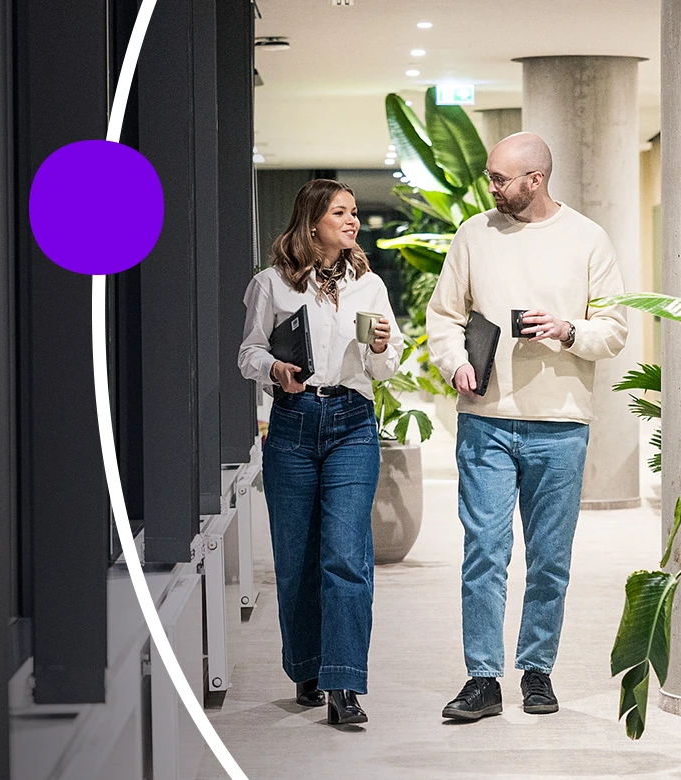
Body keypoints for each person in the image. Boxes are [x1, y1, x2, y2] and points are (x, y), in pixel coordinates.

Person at [426, 132, 628, 721]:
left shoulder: (587, 238)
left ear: (535, 180)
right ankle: (483, 679)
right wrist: (456, 362)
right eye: (490, 176)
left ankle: (537, 671)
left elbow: (614, 328)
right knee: (484, 553)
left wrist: (568, 331)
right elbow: (443, 315)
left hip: (561, 424)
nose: (490, 187)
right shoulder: (473, 235)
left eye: (499, 179)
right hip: (485, 421)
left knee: (549, 558)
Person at [238, 178, 403, 726]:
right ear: (312, 223)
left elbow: (385, 366)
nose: (353, 221)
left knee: (346, 555)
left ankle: (343, 683)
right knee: (297, 557)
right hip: (292, 423)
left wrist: (381, 348)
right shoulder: (272, 284)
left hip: (352, 422)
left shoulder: (369, 285)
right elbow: (248, 353)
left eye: (355, 213)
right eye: (341, 213)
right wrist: (274, 369)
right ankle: (307, 665)